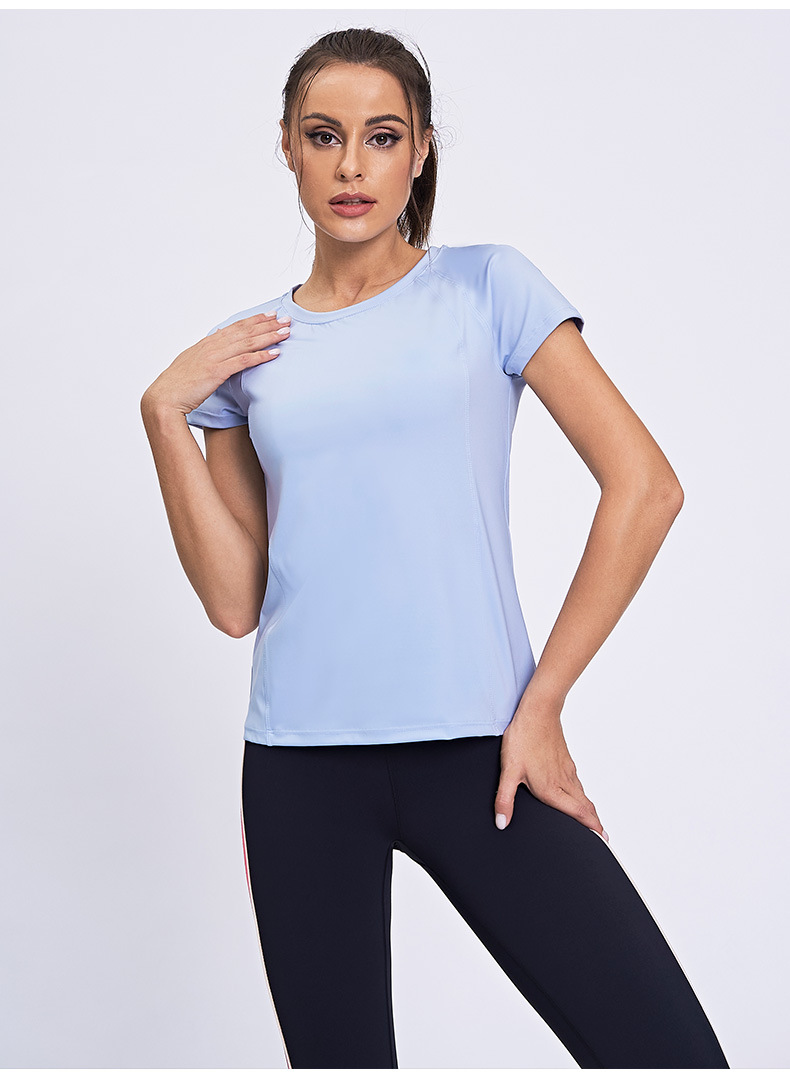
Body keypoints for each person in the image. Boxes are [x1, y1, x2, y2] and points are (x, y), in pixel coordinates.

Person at [140, 26, 729, 1070]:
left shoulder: (487, 288)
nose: (351, 166)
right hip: (299, 769)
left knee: (667, 1058)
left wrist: (542, 705)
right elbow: (236, 603)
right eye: (324, 136)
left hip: (483, 754)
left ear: (419, 151)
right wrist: (163, 415)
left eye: (381, 136)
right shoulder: (249, 351)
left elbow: (646, 488)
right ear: (288, 147)